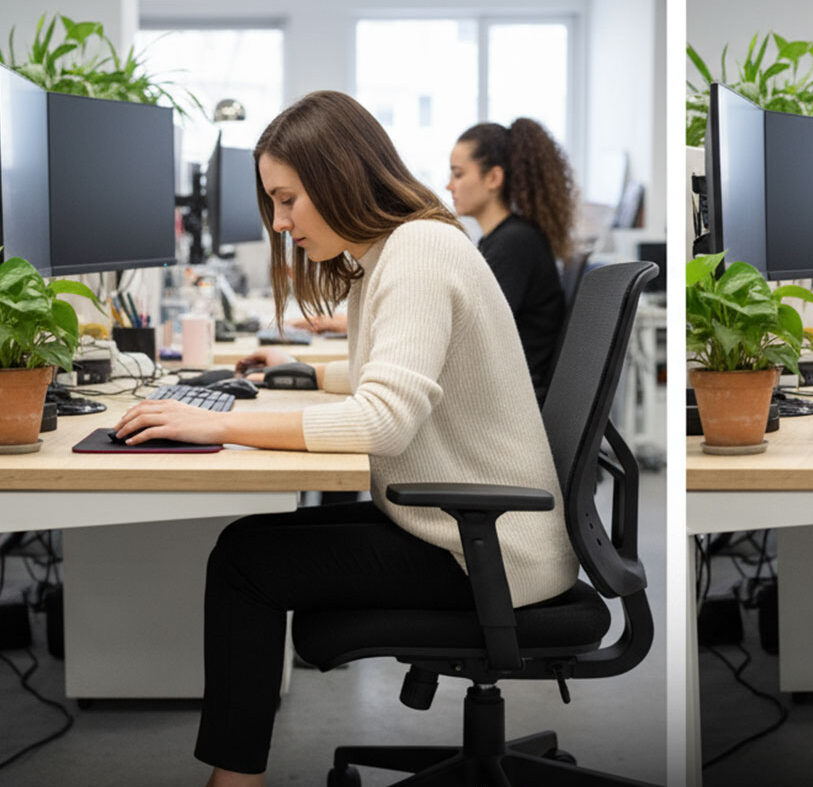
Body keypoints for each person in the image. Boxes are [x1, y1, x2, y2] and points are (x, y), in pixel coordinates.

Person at [112, 91, 578, 787]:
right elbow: (388, 379)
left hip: (487, 549)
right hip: (473, 526)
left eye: (289, 199)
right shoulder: (402, 245)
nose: (278, 221)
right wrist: (302, 369)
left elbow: (382, 419)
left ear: (338, 176)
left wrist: (215, 422)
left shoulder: (417, 251)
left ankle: (234, 783)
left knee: (246, 560)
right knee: (252, 545)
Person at [446, 118, 572, 401]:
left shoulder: (514, 244)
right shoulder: (504, 239)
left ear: (493, 178)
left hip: (512, 402)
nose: (449, 186)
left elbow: (470, 332)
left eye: (458, 174)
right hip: (508, 393)